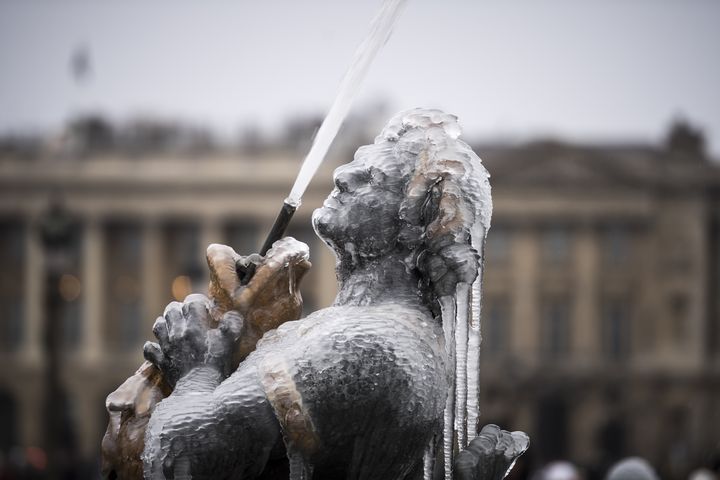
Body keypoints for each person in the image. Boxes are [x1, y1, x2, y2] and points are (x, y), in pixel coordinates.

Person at [140, 109, 494, 479]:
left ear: (414, 225)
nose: (342, 175)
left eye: (372, 178)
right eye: (355, 166)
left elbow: (181, 455)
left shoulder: (363, 346)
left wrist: (196, 370)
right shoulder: (383, 335)